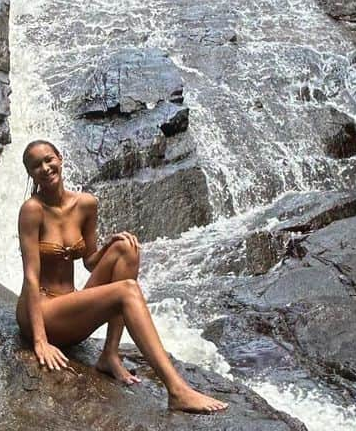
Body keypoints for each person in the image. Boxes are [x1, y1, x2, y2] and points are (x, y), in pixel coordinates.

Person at [15, 139, 227, 414]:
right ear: (30, 174)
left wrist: (109, 246)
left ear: (60, 158)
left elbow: (91, 262)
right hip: (41, 313)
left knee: (126, 248)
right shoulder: (32, 210)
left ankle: (110, 354)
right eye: (36, 166)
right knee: (126, 290)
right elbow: (31, 276)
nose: (45, 168)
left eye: (48, 159)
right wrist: (40, 341)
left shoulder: (86, 204)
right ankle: (177, 390)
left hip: (69, 305)